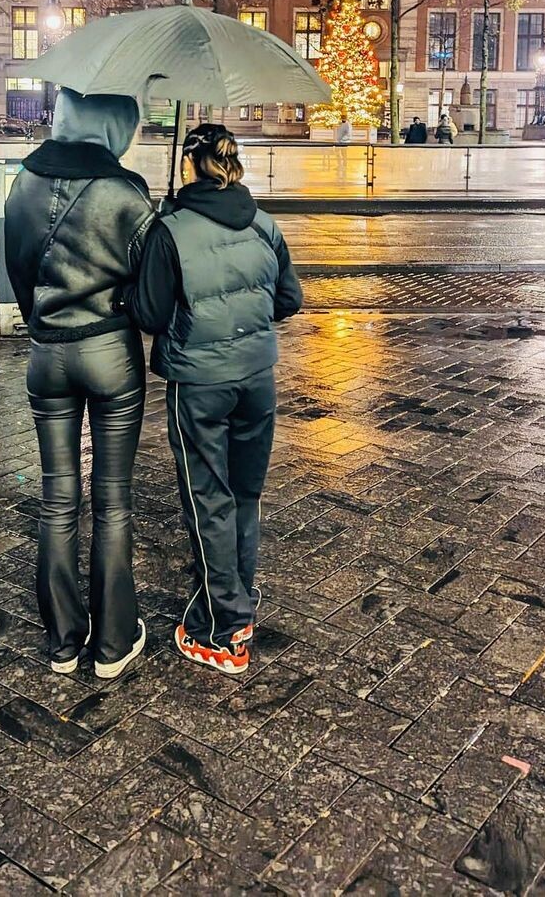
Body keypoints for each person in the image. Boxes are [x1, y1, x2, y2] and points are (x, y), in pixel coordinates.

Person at [125, 124, 302, 676]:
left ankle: (223, 631)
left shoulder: (170, 230)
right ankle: (238, 598)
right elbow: (288, 300)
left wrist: (140, 271)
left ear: (189, 165)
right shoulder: (264, 223)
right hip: (257, 378)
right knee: (244, 494)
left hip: (199, 383)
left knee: (209, 500)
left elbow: (150, 315)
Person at [4, 89, 155, 680]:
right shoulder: (127, 192)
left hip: (47, 356)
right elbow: (150, 292)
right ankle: (114, 641)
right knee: (113, 498)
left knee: (57, 496)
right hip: (111, 352)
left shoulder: (24, 183)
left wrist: (44, 322)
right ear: (115, 126)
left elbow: (18, 272)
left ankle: (64, 640)